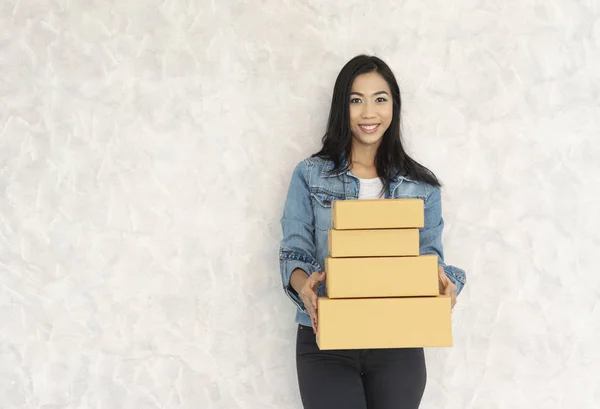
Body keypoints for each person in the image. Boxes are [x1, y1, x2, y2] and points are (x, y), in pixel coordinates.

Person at [278, 55, 467, 409]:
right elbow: (294, 252)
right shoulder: (309, 175)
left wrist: (442, 285)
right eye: (356, 99)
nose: (369, 112)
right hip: (325, 341)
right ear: (341, 107)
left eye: (380, 99)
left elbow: (429, 260)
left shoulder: (423, 187)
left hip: (398, 343)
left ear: (394, 105)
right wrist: (304, 286)